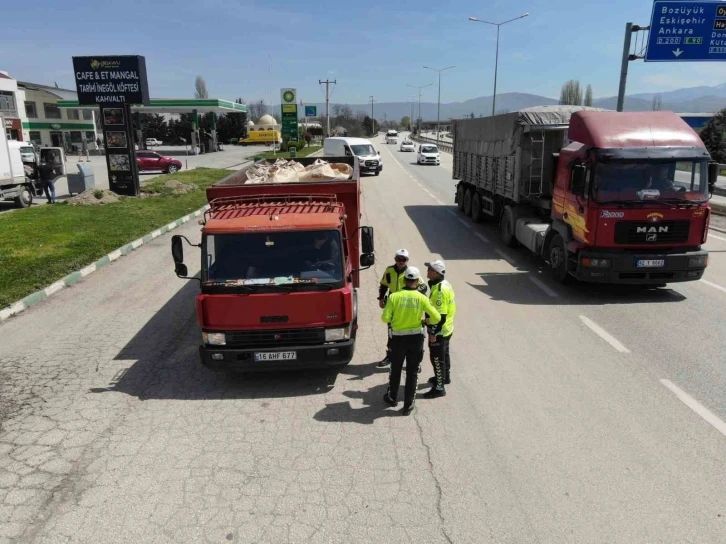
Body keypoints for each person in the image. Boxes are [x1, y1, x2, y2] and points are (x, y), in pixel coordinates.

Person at [381, 266, 441, 416]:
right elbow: (437, 317)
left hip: (398, 339)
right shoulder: (422, 298)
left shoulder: (394, 297)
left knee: (395, 369)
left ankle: (392, 397)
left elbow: (385, 318)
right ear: (417, 281)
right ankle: (408, 405)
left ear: (404, 280)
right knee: (412, 372)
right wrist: (424, 321)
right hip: (415, 339)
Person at [377, 249, 426, 367]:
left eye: (403, 259)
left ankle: (415, 361)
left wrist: (413, 294)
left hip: (407, 306)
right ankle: (390, 355)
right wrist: (381, 298)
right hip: (393, 304)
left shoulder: (411, 272)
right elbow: (383, 284)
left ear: (407, 260)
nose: (401, 261)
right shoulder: (389, 270)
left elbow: (423, 287)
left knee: (412, 332)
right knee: (391, 331)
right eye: (399, 259)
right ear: (395, 259)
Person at [423, 260, 456, 399]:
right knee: (444, 355)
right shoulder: (443, 284)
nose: (427, 271)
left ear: (435, 273)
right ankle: (445, 378)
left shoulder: (439, 291)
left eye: (429, 269)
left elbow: (440, 317)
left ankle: (439, 387)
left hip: (440, 330)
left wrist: (433, 332)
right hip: (447, 329)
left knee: (436, 358)